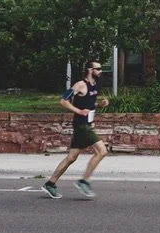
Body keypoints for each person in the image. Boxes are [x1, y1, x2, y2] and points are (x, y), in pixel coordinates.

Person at [42, 59, 110, 199]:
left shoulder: (94, 85)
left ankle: (50, 183)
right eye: (98, 69)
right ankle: (84, 181)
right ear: (90, 70)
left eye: (100, 68)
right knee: (102, 151)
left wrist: (100, 105)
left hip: (86, 125)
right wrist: (78, 111)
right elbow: (63, 101)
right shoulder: (80, 85)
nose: (100, 71)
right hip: (82, 126)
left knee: (71, 157)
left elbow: (89, 105)